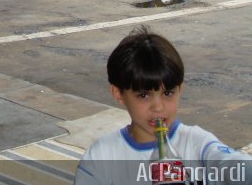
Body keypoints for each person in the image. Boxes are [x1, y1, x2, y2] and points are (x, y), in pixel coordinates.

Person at [75, 25, 251, 184]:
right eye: (143, 95)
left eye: (168, 93)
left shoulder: (196, 144)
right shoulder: (102, 157)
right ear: (118, 94)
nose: (158, 107)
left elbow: (232, 164)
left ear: (180, 89)